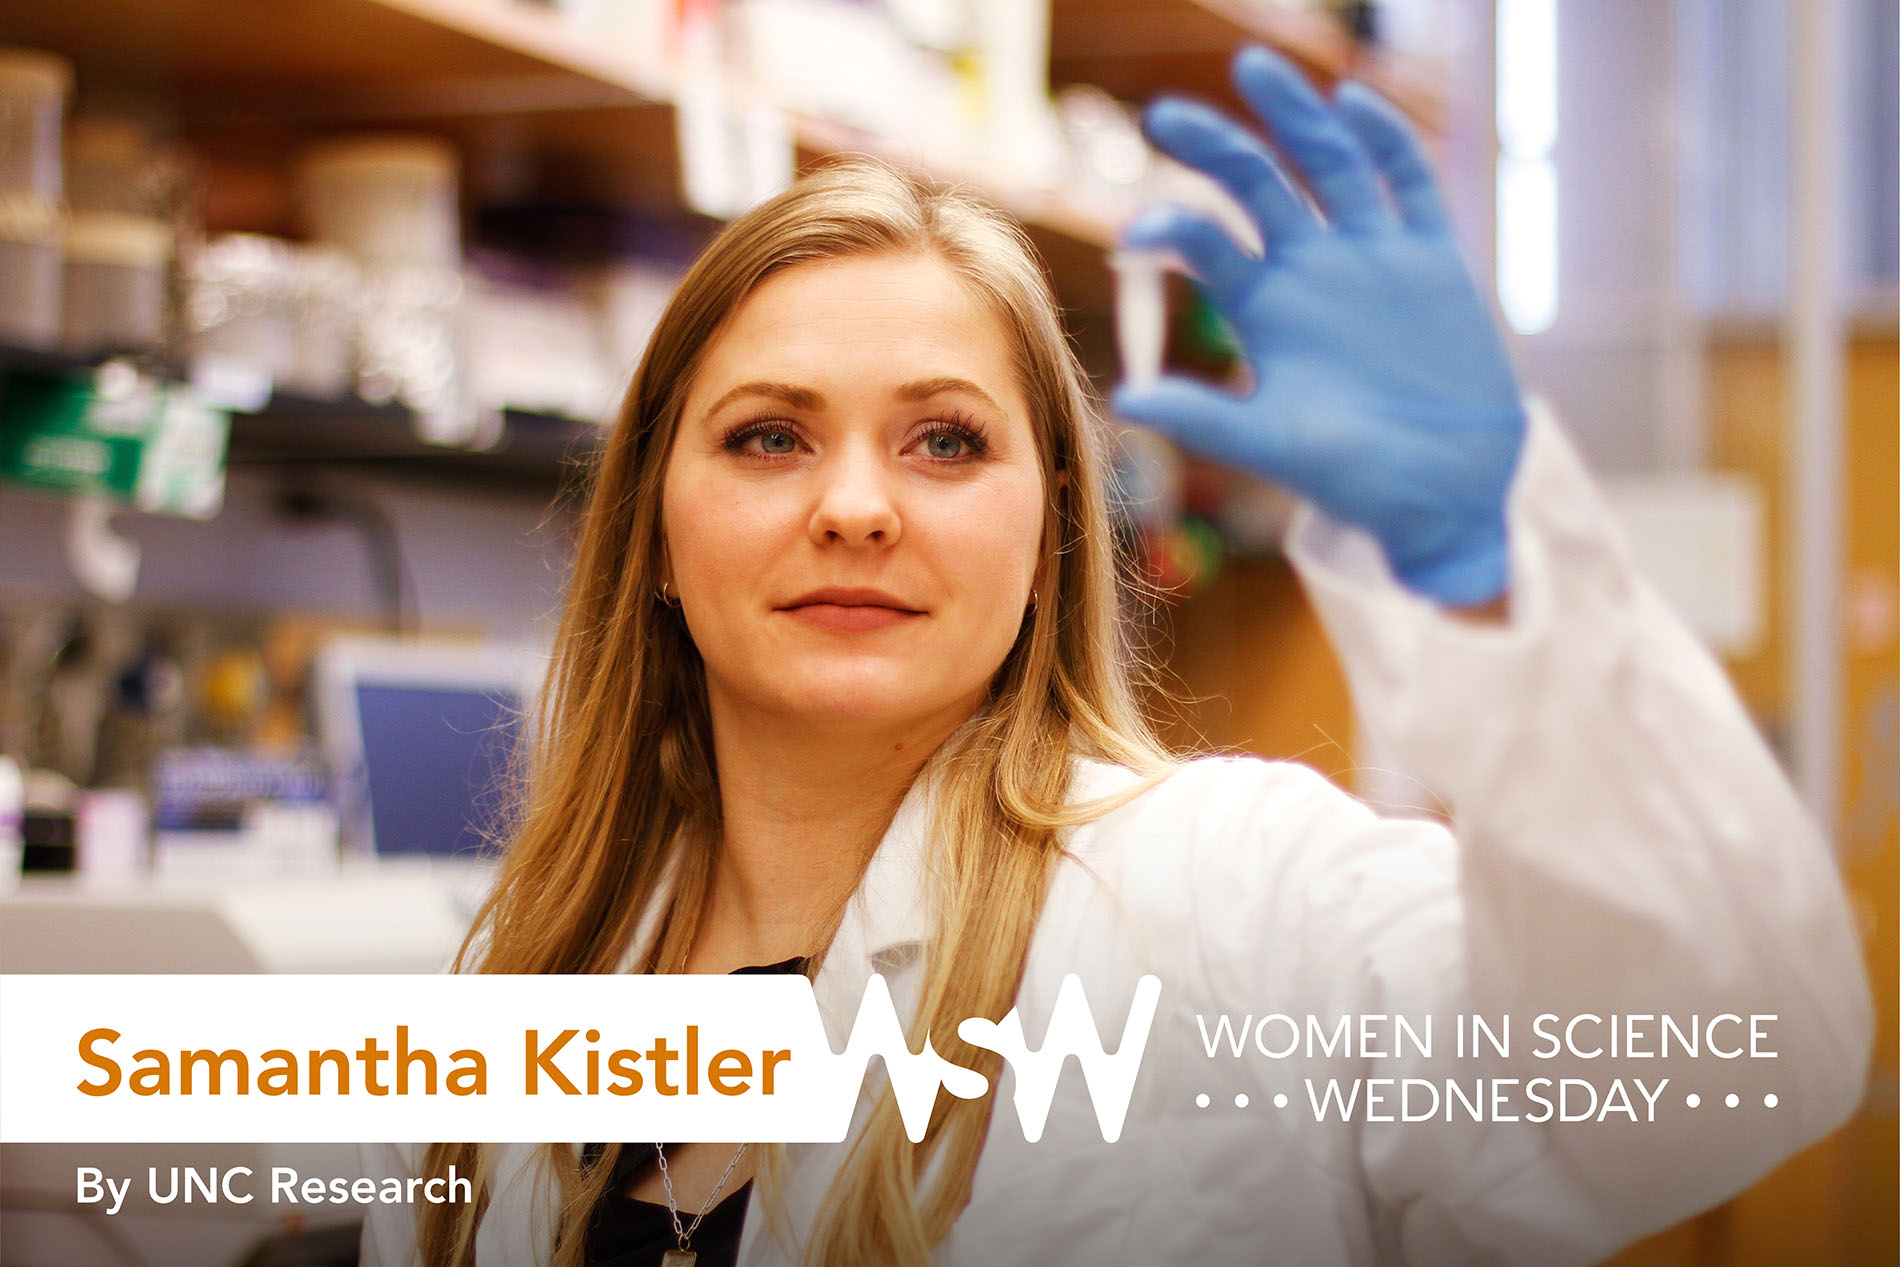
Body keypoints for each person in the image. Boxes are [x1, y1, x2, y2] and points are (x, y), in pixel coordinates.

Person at [361, 45, 1872, 1267]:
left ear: (1050, 534)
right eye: (770, 437)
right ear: (656, 535)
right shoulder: (536, 964)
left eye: (946, 440)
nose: (857, 507)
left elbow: (1725, 1067)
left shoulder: (1227, 901)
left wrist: (1486, 561)